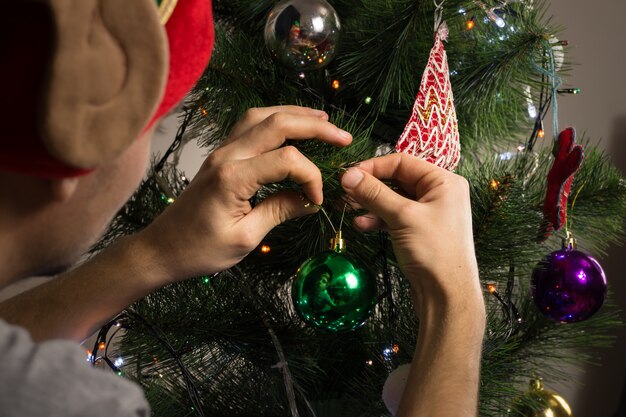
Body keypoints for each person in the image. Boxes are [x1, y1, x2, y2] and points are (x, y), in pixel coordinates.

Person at [0, 0, 485, 416]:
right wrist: (456, 305)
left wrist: (157, 252)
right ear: (77, 140)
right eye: (155, 123)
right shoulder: (69, 403)